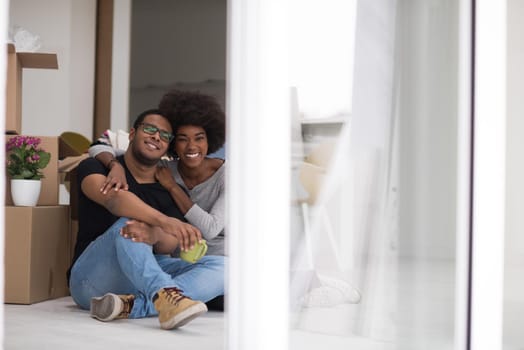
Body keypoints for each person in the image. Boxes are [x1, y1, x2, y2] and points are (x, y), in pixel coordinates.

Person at [68, 108, 225, 330]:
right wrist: (162, 222)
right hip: (91, 279)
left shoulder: (169, 187)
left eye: (164, 135)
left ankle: (134, 306)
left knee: (225, 268)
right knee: (130, 224)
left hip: (140, 278)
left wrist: (155, 234)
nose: (156, 137)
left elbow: (173, 242)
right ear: (132, 134)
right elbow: (114, 200)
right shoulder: (96, 167)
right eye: (149, 129)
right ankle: (165, 297)